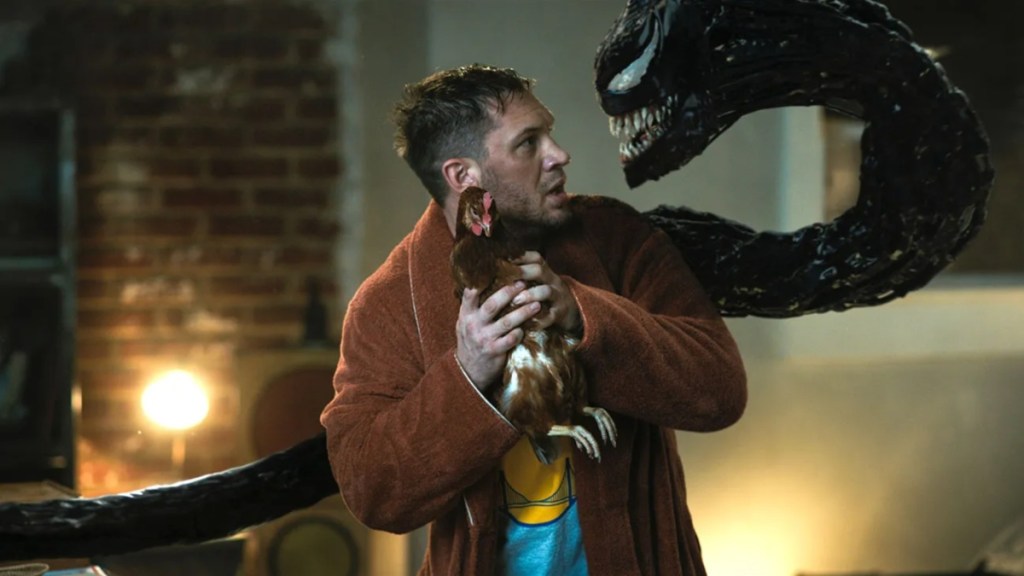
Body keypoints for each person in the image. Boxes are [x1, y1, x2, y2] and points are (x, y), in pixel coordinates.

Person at [320, 64, 747, 575]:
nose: (559, 154)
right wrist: (468, 374)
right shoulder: (387, 303)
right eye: (528, 143)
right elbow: (372, 492)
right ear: (463, 176)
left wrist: (581, 314)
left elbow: (719, 393)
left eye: (550, 133)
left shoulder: (617, 238)